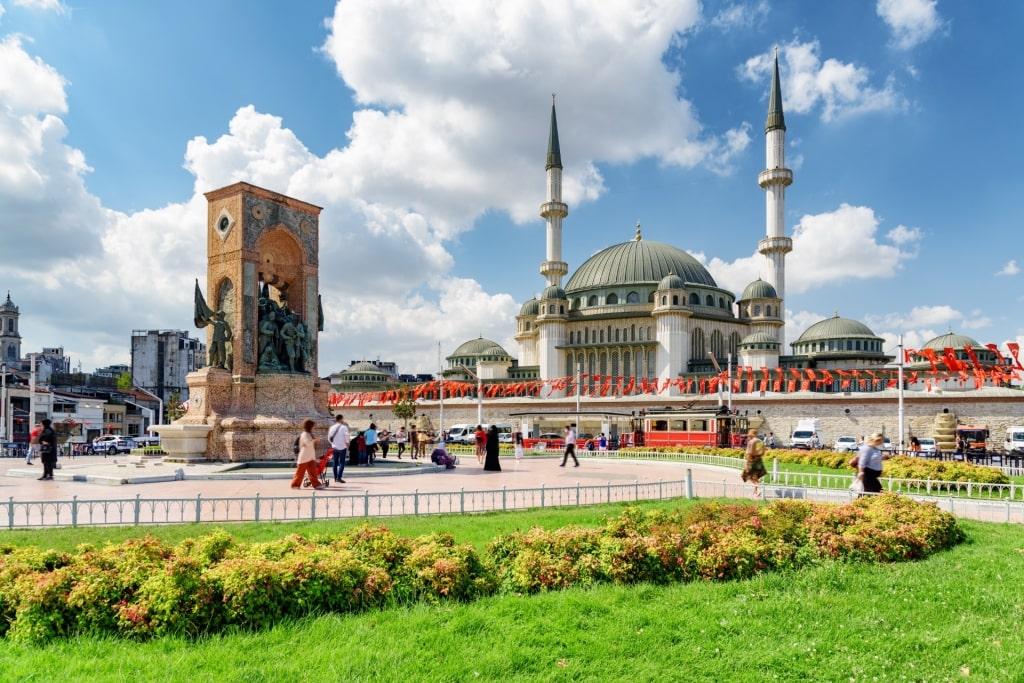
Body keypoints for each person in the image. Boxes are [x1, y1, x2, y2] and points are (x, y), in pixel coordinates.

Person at [290, 419, 324, 490]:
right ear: (310, 426)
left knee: (313, 473)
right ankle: (295, 485)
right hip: (304, 457)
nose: (314, 428)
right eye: (313, 426)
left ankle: (316, 485)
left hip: (310, 457)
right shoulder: (305, 434)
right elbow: (307, 443)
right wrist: (315, 440)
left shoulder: (309, 434)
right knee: (300, 472)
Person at [741, 429, 767, 495]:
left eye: (749, 434)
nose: (749, 436)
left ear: (752, 434)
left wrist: (747, 464)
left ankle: (759, 487)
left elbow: (750, 453)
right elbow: (763, 452)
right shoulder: (760, 441)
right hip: (759, 460)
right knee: (755, 476)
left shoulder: (751, 442)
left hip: (752, 460)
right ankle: (755, 492)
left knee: (746, 475)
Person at [327, 414, 350, 483]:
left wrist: (333, 444)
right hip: (342, 447)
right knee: (342, 463)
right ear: (341, 419)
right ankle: (339, 477)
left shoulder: (332, 428)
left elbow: (329, 438)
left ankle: (335, 477)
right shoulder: (344, 427)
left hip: (334, 447)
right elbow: (347, 438)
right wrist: (347, 445)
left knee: (335, 462)